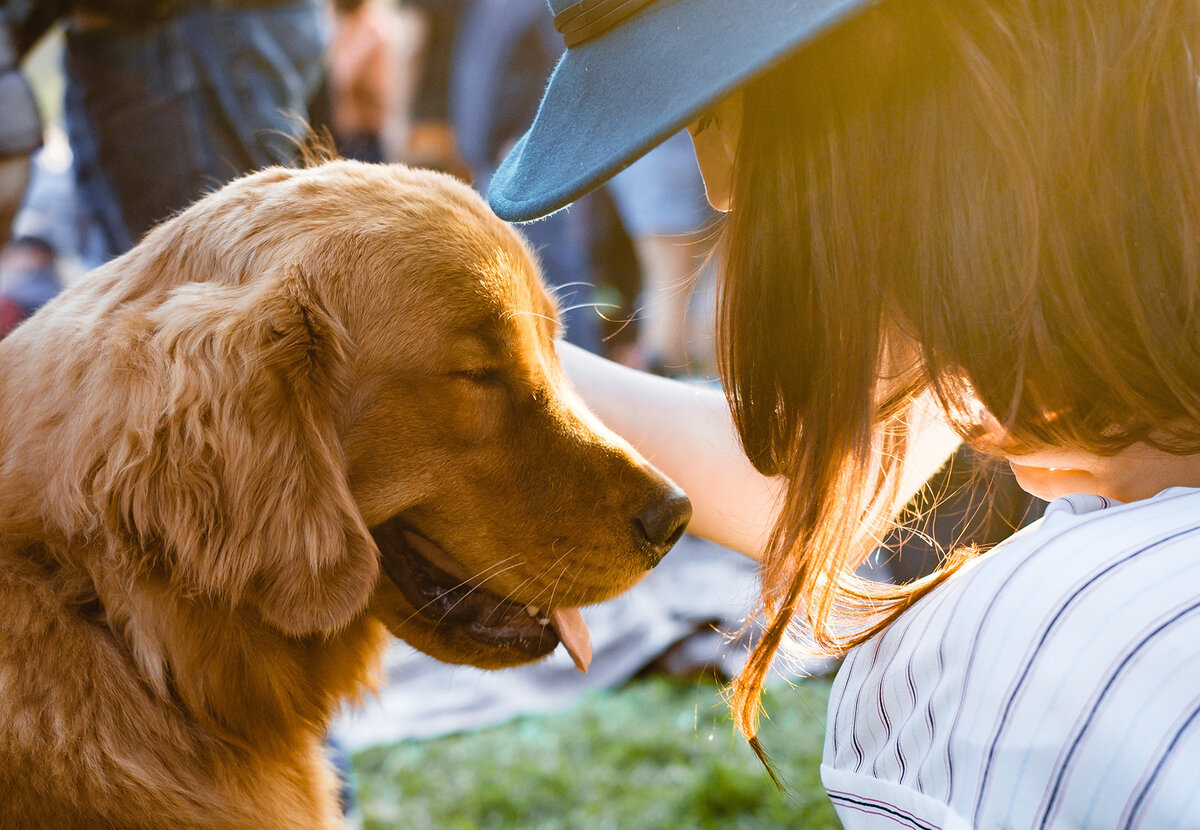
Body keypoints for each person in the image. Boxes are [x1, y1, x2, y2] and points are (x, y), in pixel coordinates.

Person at [487, 0, 1200, 826]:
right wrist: (499, 365)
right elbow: (814, 484)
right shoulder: (1017, 206)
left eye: (712, 112)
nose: (717, 187)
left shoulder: (1025, 666)